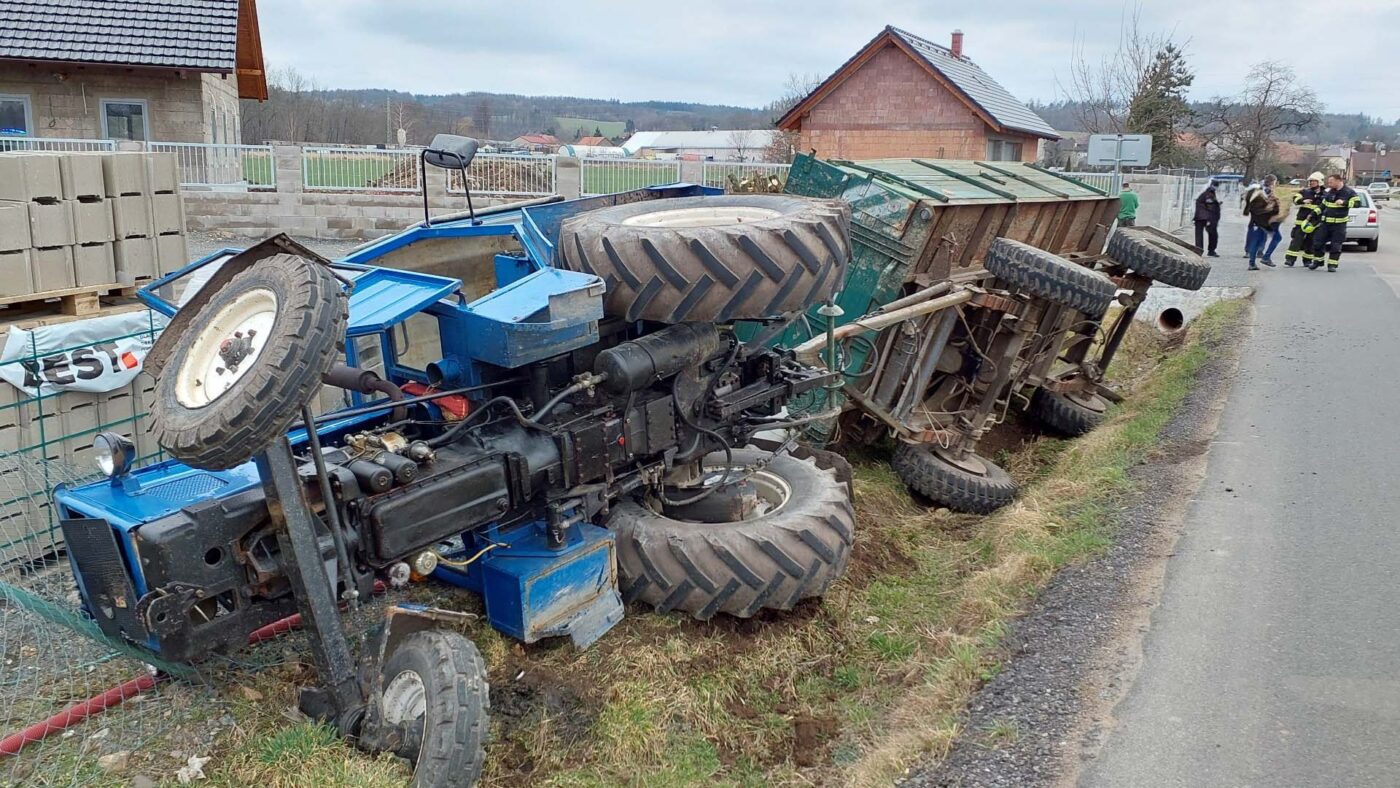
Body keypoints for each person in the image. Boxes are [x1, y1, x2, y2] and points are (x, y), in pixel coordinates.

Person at [1314, 173, 1361, 272]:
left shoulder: (1349, 192)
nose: (1329, 184)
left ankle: (1332, 265)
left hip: (1339, 225)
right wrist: (1313, 214)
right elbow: (1323, 205)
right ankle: (1318, 261)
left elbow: (1357, 203)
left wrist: (1344, 203)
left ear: (1338, 181)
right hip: (1326, 223)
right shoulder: (1329, 192)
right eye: (1328, 182)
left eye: (1331, 182)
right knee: (1318, 242)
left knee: (1335, 245)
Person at [1284, 171, 1325, 268]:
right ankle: (1290, 260)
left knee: (1310, 242)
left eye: (1313, 181)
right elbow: (1295, 198)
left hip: (1315, 222)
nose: (1311, 183)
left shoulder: (1325, 194)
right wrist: (1302, 201)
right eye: (1310, 181)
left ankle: (1307, 260)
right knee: (1296, 241)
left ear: (1319, 182)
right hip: (1301, 221)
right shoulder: (1305, 191)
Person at [1243, 175, 1280, 269]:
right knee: (1276, 237)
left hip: (1258, 221)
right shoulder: (1262, 193)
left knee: (1257, 239)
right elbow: (1259, 209)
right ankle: (1265, 257)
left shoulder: (1258, 191)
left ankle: (1252, 262)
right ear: (1272, 182)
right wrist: (1273, 209)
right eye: (1274, 182)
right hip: (1261, 221)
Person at [1193, 181, 1222, 256]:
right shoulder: (1209, 194)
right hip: (1206, 217)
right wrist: (1210, 219)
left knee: (1200, 234)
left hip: (1200, 217)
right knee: (1213, 234)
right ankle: (1210, 251)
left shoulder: (1207, 193)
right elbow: (1210, 206)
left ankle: (1199, 250)